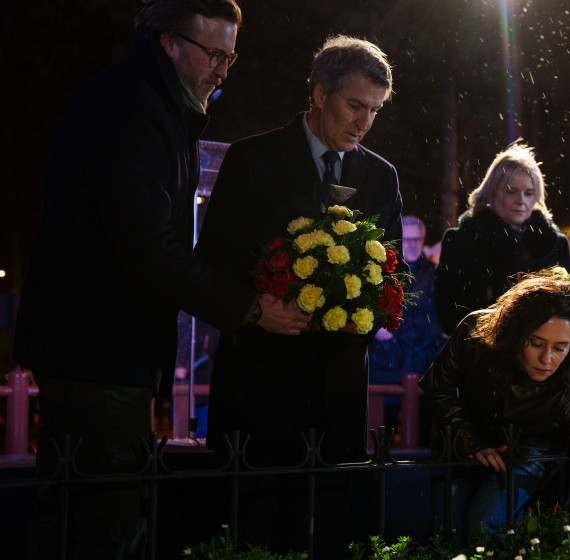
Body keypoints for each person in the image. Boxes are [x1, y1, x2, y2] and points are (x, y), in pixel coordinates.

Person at [13, 2, 309, 557]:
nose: (225, 70)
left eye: (232, 56)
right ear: (169, 43)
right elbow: (149, 251)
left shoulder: (153, 105)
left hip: (94, 349)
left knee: (71, 514)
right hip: (98, 351)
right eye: (215, 54)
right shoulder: (133, 111)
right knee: (106, 521)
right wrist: (249, 307)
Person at [193, 35, 403, 555]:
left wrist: (365, 312)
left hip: (337, 393)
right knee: (252, 532)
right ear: (318, 93)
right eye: (355, 106)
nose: (364, 122)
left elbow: (392, 278)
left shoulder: (381, 176)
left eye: (375, 110)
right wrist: (255, 310)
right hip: (257, 388)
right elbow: (205, 270)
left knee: (329, 531)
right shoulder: (251, 161)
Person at [421, 270, 570, 543]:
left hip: (527, 451)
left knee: (483, 527)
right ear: (516, 331)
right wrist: (470, 438)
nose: (547, 358)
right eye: (536, 343)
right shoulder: (474, 331)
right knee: (447, 537)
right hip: (459, 443)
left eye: (560, 347)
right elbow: (437, 386)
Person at [434, 142, 570, 334]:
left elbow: (569, 310)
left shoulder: (555, 244)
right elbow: (449, 313)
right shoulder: (462, 241)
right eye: (511, 191)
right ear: (492, 192)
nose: (521, 200)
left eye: (529, 193)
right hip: (481, 357)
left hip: (544, 358)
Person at [368, 215, 446, 434]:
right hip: (387, 362)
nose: (411, 244)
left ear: (423, 240)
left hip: (424, 361)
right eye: (407, 239)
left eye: (417, 239)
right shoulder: (381, 270)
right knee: (381, 429)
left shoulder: (435, 273)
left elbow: (445, 308)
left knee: (422, 426)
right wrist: (375, 328)